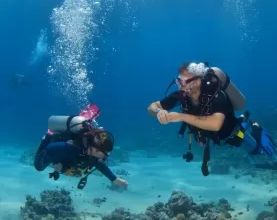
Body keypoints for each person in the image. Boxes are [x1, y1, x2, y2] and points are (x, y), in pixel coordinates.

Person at [147, 62, 277, 175]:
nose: (180, 86)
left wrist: (180, 116)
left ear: (197, 81)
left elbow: (216, 124)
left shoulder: (215, 95)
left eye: (183, 82)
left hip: (231, 134)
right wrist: (159, 111)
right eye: (178, 81)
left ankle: (253, 128)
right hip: (210, 138)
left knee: (256, 150)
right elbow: (152, 107)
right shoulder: (181, 96)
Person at [34, 107, 128, 189]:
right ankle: (47, 137)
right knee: (39, 167)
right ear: (96, 149)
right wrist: (56, 163)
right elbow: (50, 148)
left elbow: (99, 164)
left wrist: (114, 179)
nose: (106, 156)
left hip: (74, 151)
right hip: (52, 144)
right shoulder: (73, 148)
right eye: (105, 153)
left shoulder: (94, 153)